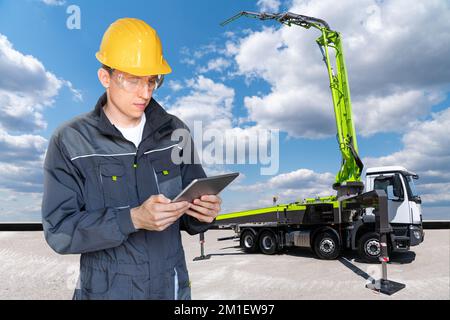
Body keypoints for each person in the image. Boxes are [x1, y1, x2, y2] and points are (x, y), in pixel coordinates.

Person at [41, 17, 221, 300]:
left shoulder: (176, 132)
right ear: (105, 77)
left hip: (170, 289)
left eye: (152, 80)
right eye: (133, 80)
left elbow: (190, 215)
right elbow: (60, 231)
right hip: (106, 292)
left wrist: (203, 215)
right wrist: (131, 219)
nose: (145, 92)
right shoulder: (70, 141)